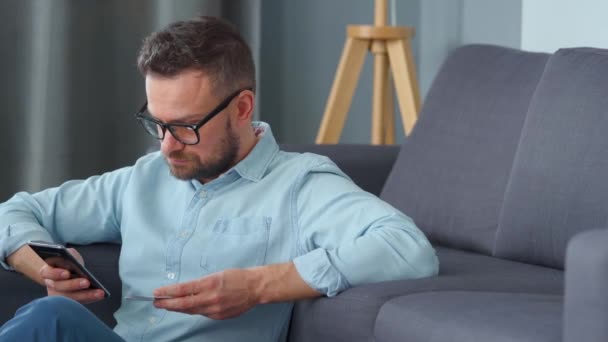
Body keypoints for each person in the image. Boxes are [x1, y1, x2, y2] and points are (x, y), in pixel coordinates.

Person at [0, 16, 438, 342]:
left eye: (186, 127)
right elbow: (17, 211)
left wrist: (257, 286)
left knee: (49, 321)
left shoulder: (300, 185)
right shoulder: (143, 179)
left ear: (242, 108)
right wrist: (35, 264)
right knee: (53, 312)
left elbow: (407, 247)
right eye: (157, 123)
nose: (167, 146)